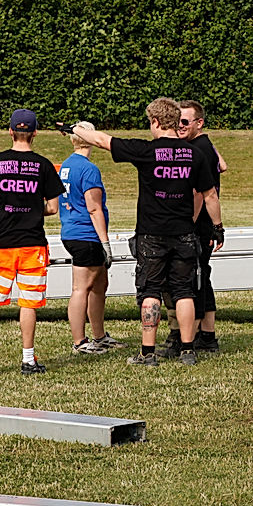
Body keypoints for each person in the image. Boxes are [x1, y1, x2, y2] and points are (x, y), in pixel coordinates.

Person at [73, 97, 224, 367]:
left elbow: (103, 141)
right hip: (185, 233)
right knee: (184, 291)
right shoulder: (195, 154)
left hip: (151, 234)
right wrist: (218, 227)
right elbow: (210, 195)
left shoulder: (146, 151)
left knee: (150, 291)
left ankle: (147, 352)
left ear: (155, 122)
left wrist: (78, 131)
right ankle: (188, 350)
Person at [0, 108, 63, 376]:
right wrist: (34, 210)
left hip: (2, 241)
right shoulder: (44, 165)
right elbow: (53, 207)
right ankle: (28, 360)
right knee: (28, 302)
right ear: (34, 133)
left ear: (10, 131)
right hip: (33, 243)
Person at [158, 99, 227, 356]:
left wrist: (188, 226)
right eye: (177, 122)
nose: (180, 127)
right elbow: (223, 165)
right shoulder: (202, 145)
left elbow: (199, 194)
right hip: (204, 225)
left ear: (199, 123)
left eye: (185, 122)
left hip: (198, 226)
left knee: (191, 280)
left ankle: (187, 336)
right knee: (202, 277)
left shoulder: (199, 149)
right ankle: (206, 336)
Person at [58, 121, 124, 355]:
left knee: (99, 285)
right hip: (85, 233)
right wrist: (105, 242)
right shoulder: (88, 169)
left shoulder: (66, 165)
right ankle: (79, 341)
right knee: (81, 288)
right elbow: (94, 208)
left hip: (71, 231)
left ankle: (99, 336)